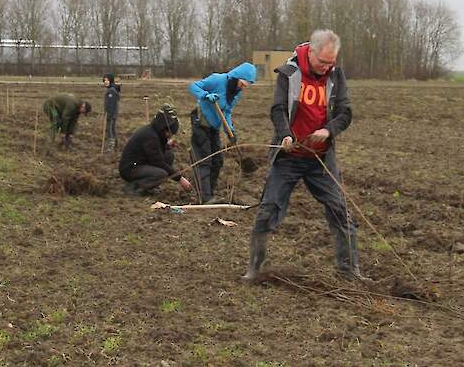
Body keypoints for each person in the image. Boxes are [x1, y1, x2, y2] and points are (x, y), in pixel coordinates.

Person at [243, 29, 369, 283]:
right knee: (268, 210)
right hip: (289, 157)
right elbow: (278, 109)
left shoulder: (336, 74)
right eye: (323, 62)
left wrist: (328, 130)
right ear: (310, 52)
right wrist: (285, 135)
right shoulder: (289, 73)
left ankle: (349, 271)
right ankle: (254, 269)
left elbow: (345, 112)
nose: (327, 67)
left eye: (331, 62)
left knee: (341, 212)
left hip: (320, 159)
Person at [188, 62, 256, 204]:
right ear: (236, 77)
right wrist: (205, 95)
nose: (242, 88)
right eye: (242, 84)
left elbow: (227, 112)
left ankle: (209, 193)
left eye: (245, 86)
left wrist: (230, 130)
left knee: (217, 161)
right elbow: (194, 86)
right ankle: (204, 197)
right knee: (205, 159)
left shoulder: (236, 94)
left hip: (214, 127)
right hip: (200, 122)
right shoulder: (217, 79)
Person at [118, 105, 193, 196]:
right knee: (161, 174)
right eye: (170, 133)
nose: (170, 136)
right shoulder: (150, 137)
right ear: (164, 128)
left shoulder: (155, 132)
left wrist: (167, 146)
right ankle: (134, 187)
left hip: (141, 163)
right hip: (130, 169)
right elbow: (158, 162)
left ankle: (149, 185)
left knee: (169, 155)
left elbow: (157, 151)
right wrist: (180, 179)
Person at [102, 73, 121, 153]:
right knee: (112, 129)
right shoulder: (112, 89)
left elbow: (111, 104)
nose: (105, 82)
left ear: (110, 80)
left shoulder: (111, 91)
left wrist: (108, 115)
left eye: (106, 80)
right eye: (104, 80)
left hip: (111, 115)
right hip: (113, 114)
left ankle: (110, 147)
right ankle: (116, 144)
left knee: (109, 130)